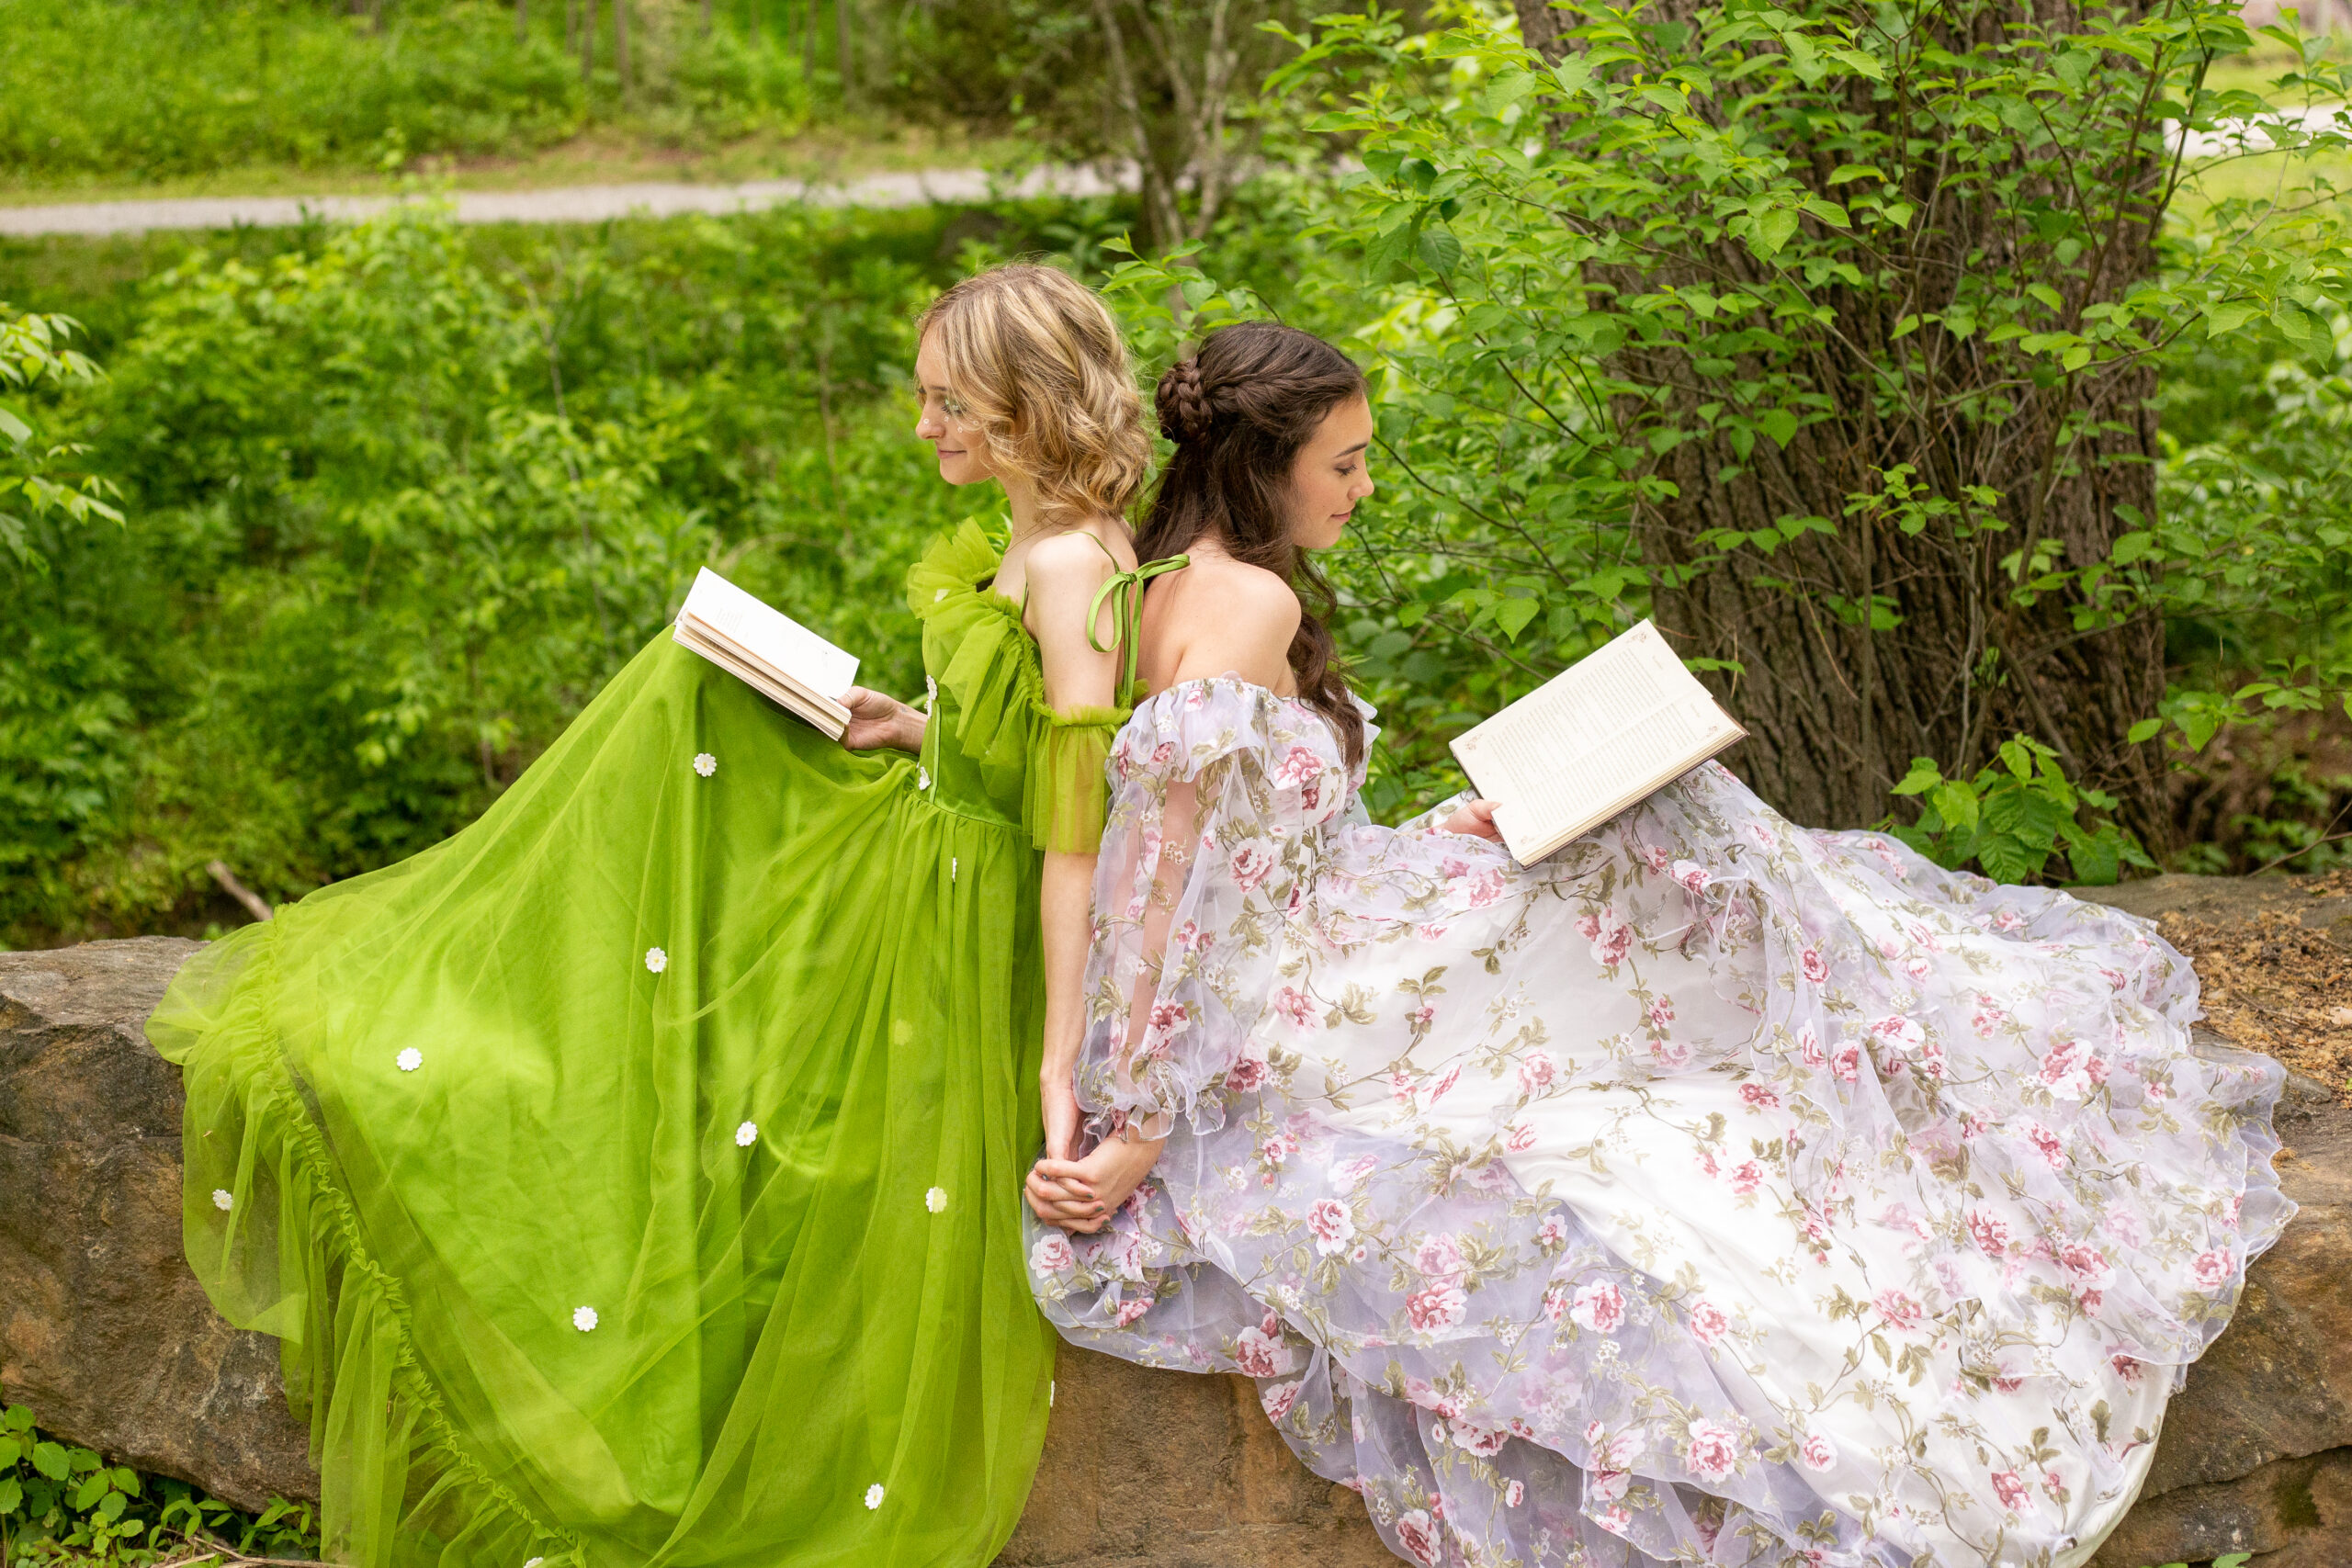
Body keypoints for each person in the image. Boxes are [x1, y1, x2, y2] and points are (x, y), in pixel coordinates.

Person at [1022, 321, 2293, 1568]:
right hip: (1311, 997)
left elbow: (1245, 835)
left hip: (1337, 925)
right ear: (1263, 462)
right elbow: (1163, 884)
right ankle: (1896, 1052)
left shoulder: (1153, 576)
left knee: (1630, 826)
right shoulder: (1242, 602)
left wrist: (1437, 832)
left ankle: (1871, 1032)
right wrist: (1136, 1124)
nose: (1364, 486)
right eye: (1343, 463)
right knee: (1673, 836)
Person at [149, 263, 1175, 1568]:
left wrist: (1056, 1052)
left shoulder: (1081, 557)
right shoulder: (1024, 540)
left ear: (1028, 407)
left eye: (948, 405)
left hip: (964, 922)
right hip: (921, 850)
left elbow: (1078, 832)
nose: (924, 429)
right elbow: (1013, 742)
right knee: (692, 691)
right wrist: (914, 726)